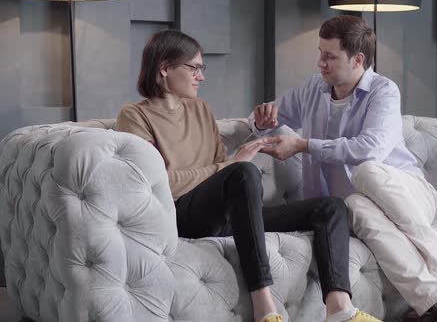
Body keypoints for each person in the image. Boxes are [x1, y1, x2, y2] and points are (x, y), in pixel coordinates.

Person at [115, 29, 381, 322]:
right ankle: (265, 308)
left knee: (331, 207)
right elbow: (156, 184)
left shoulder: (201, 109)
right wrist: (231, 165)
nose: (201, 76)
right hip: (179, 214)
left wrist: (231, 164)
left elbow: (219, 166)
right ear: (164, 68)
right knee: (243, 170)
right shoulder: (134, 116)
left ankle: (339, 310)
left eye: (202, 69)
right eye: (194, 68)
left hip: (226, 215)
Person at [251, 15, 437, 322]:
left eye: (330, 56)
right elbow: (272, 118)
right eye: (320, 53)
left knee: (367, 171)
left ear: (358, 59)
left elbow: (369, 148)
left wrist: (305, 145)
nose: (320, 62)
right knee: (354, 203)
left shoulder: (383, 90)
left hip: (407, 193)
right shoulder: (312, 90)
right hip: (357, 204)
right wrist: (260, 121)